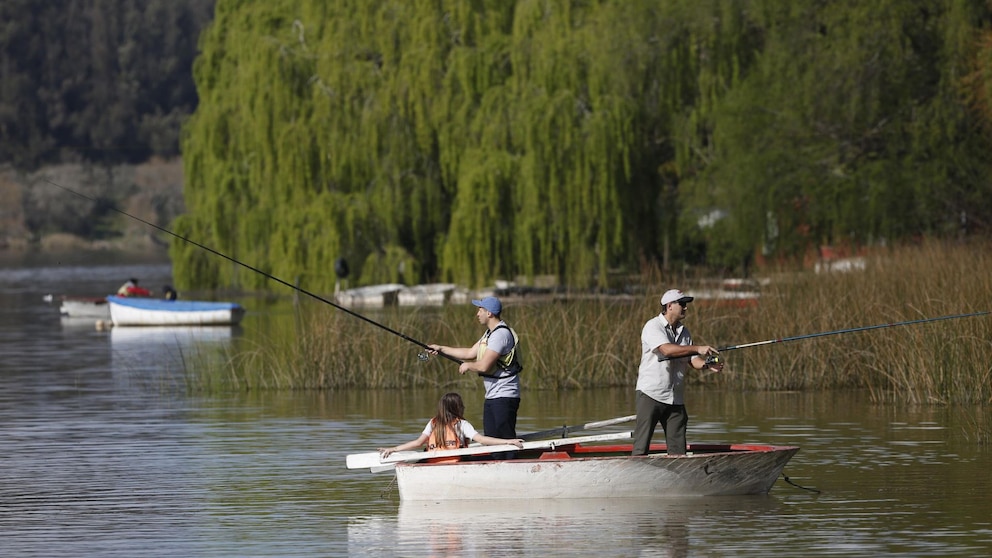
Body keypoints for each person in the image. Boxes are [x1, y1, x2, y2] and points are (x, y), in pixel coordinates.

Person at [632, 288, 724, 456]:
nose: (686, 307)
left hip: (675, 398)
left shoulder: (684, 332)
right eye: (682, 304)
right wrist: (697, 348)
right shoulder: (653, 326)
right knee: (641, 447)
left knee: (678, 452)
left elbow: (691, 359)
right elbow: (667, 350)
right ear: (669, 306)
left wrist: (706, 365)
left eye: (686, 304)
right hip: (651, 394)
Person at [427, 296, 523, 445]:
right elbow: (469, 353)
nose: (477, 314)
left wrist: (468, 366)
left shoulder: (500, 335)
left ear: (489, 313)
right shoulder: (490, 333)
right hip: (492, 395)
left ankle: (511, 464)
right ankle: (495, 466)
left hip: (505, 395)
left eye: (480, 310)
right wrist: (440, 349)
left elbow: (484, 366)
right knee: (492, 441)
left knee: (505, 440)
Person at [377, 392, 523, 459]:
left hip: (434, 462)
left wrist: (393, 449)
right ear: (457, 408)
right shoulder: (462, 424)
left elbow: (418, 443)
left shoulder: (433, 423)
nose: (464, 407)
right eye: (461, 405)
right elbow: (483, 440)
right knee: (493, 458)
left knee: (421, 458)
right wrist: (509, 441)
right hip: (457, 462)